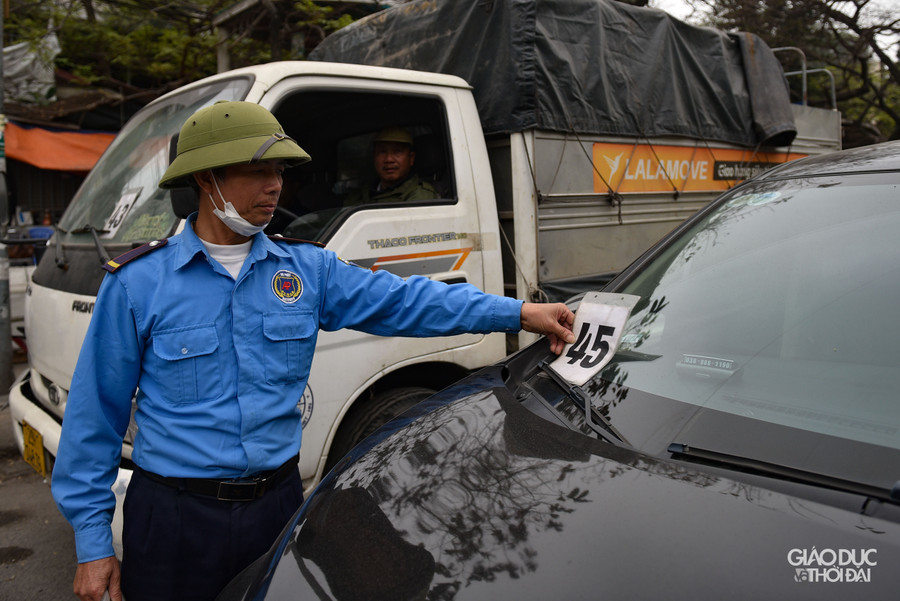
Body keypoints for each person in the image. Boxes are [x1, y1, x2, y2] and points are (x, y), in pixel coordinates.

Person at [51, 100, 575, 601]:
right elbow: (94, 420)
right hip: (173, 519)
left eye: (279, 170)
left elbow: (407, 301)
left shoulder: (306, 271)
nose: (275, 183)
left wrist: (519, 314)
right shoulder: (138, 285)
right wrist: (93, 545)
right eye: (257, 170)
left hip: (276, 509)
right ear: (206, 179)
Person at [345, 127, 438, 205]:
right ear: (374, 157)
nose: (389, 159)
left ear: (411, 158)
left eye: (397, 152)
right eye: (382, 152)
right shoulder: (360, 195)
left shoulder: (420, 196)